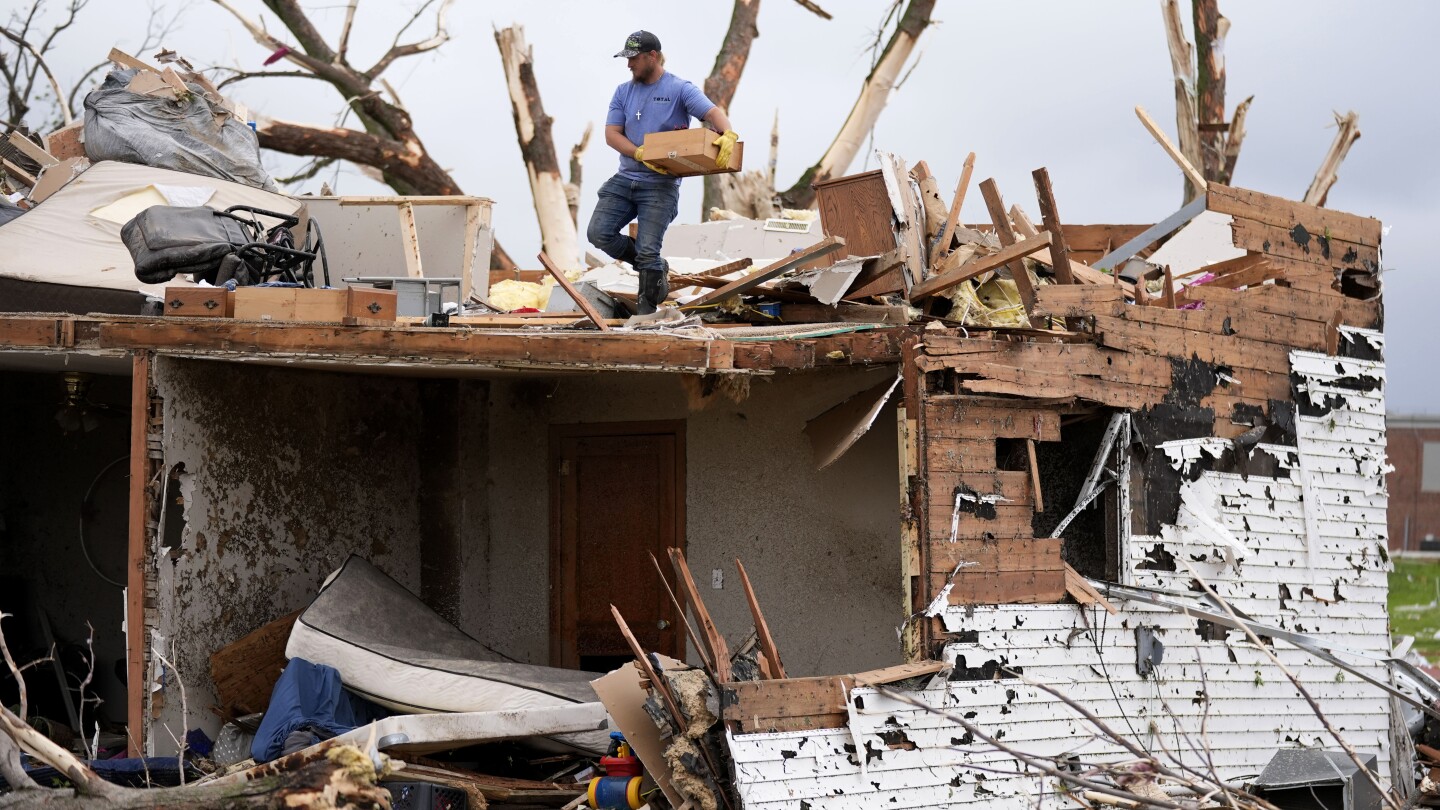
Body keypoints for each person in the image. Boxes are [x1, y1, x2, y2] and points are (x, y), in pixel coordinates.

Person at [587, 30, 737, 314]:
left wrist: (727, 133)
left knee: (647, 250)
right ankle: (654, 267)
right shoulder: (623, 91)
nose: (629, 64)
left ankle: (646, 312)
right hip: (626, 178)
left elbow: (713, 113)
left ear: (652, 56)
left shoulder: (680, 89)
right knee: (599, 233)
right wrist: (638, 152)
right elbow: (611, 134)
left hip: (660, 184)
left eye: (633, 59)